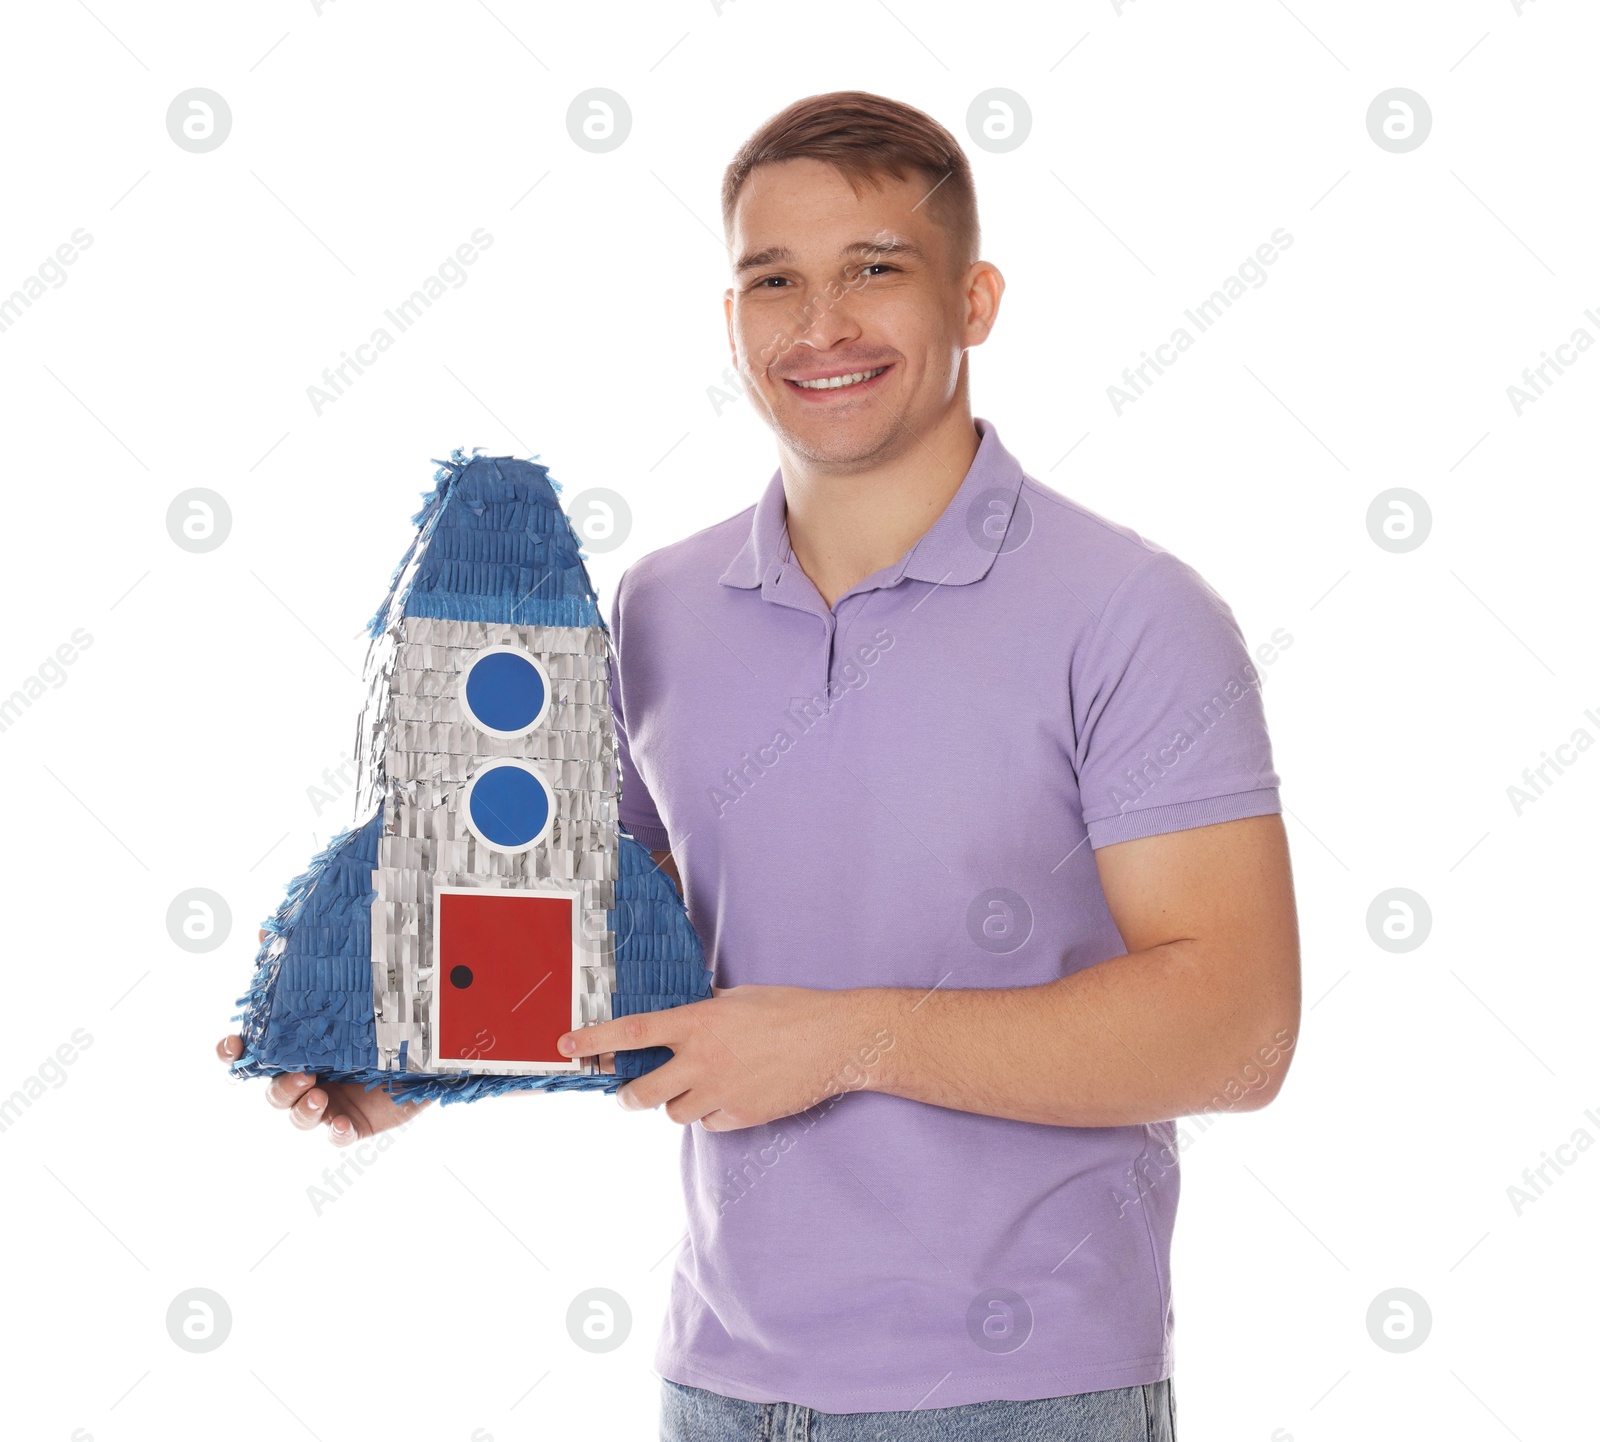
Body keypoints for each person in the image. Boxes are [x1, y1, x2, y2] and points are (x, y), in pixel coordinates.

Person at [218, 89, 1299, 1442]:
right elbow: (610, 948)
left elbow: (1237, 1027)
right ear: (729, 320)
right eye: (773, 280)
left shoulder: (1131, 610)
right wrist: (409, 1067)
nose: (822, 324)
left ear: (976, 301)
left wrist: (844, 1037)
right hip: (720, 1385)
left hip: (1024, 1396)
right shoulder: (661, 607)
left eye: (876, 271)